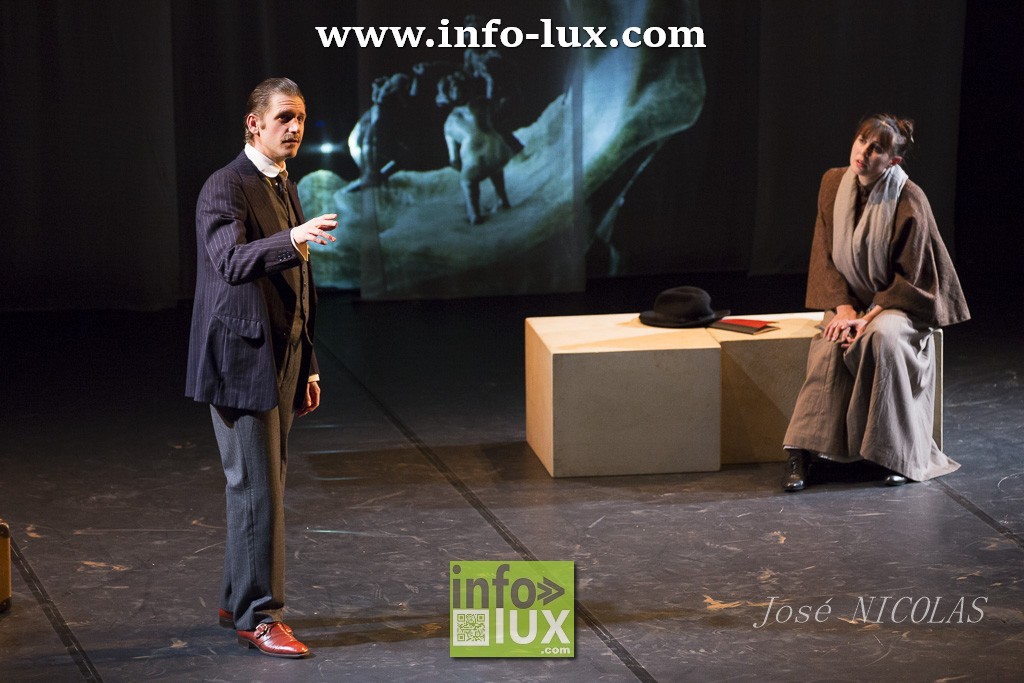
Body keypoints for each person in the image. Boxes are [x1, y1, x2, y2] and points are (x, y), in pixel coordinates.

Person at [185, 77, 339, 657]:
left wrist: (309, 364)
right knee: (257, 492)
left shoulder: (282, 182)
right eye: (284, 118)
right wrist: (293, 236)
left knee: (262, 486)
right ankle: (260, 616)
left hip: (283, 357)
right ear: (254, 123)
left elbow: (296, 284)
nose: (295, 128)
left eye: (300, 117)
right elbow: (229, 262)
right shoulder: (225, 186)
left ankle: (236, 597)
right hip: (241, 362)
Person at [782, 114, 970, 492]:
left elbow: (914, 278)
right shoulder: (832, 183)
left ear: (892, 161)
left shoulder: (909, 197)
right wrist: (845, 310)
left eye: (876, 149)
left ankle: (896, 454)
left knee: (884, 338)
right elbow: (824, 256)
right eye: (861, 141)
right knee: (831, 342)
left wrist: (867, 319)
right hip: (852, 300)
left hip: (899, 303)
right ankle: (805, 451)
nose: (864, 153)